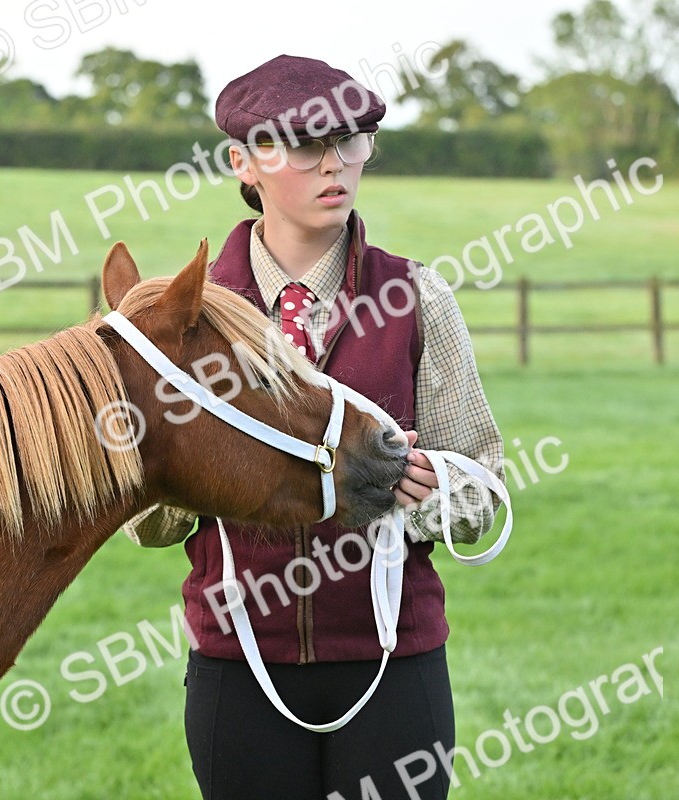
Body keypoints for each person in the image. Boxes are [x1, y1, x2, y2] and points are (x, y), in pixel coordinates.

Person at [121, 54, 505, 800]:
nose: (336, 165)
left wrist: (427, 493)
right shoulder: (183, 318)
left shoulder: (418, 295)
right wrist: (199, 474)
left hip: (396, 662)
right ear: (244, 162)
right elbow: (147, 523)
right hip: (239, 664)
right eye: (304, 146)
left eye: (352, 141)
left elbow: (481, 492)